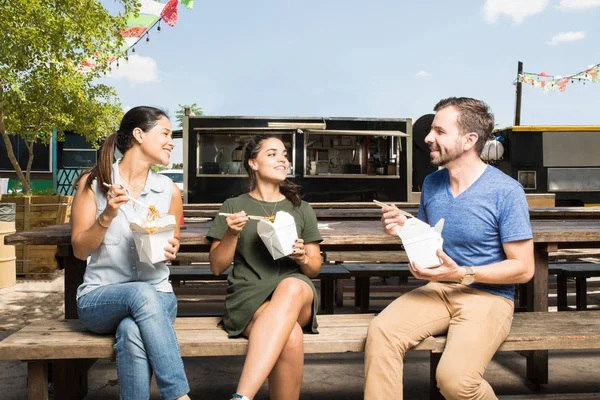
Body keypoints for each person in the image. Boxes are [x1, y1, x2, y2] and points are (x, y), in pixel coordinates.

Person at [365, 97, 534, 399]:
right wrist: (402, 229)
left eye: (439, 132)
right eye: (431, 131)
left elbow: (523, 268)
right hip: (439, 290)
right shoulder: (432, 183)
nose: (428, 138)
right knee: (381, 332)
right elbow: (430, 239)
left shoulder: (506, 191)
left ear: (469, 140)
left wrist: (463, 272)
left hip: (488, 297)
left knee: (455, 380)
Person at [71, 106, 190, 400]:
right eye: (164, 133)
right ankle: (178, 395)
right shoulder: (94, 182)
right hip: (99, 298)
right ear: (138, 134)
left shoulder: (169, 191)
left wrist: (171, 248)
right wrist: (108, 214)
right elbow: (79, 250)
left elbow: (171, 242)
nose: (171, 142)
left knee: (131, 331)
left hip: (158, 296)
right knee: (140, 293)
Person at [207, 134, 323, 400]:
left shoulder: (301, 209)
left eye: (284, 154)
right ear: (253, 163)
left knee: (292, 285)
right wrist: (232, 234)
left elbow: (315, 269)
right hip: (250, 298)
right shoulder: (233, 207)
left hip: (297, 294)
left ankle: (242, 396)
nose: (282, 158)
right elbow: (216, 267)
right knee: (290, 335)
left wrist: (302, 257)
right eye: (272, 154)